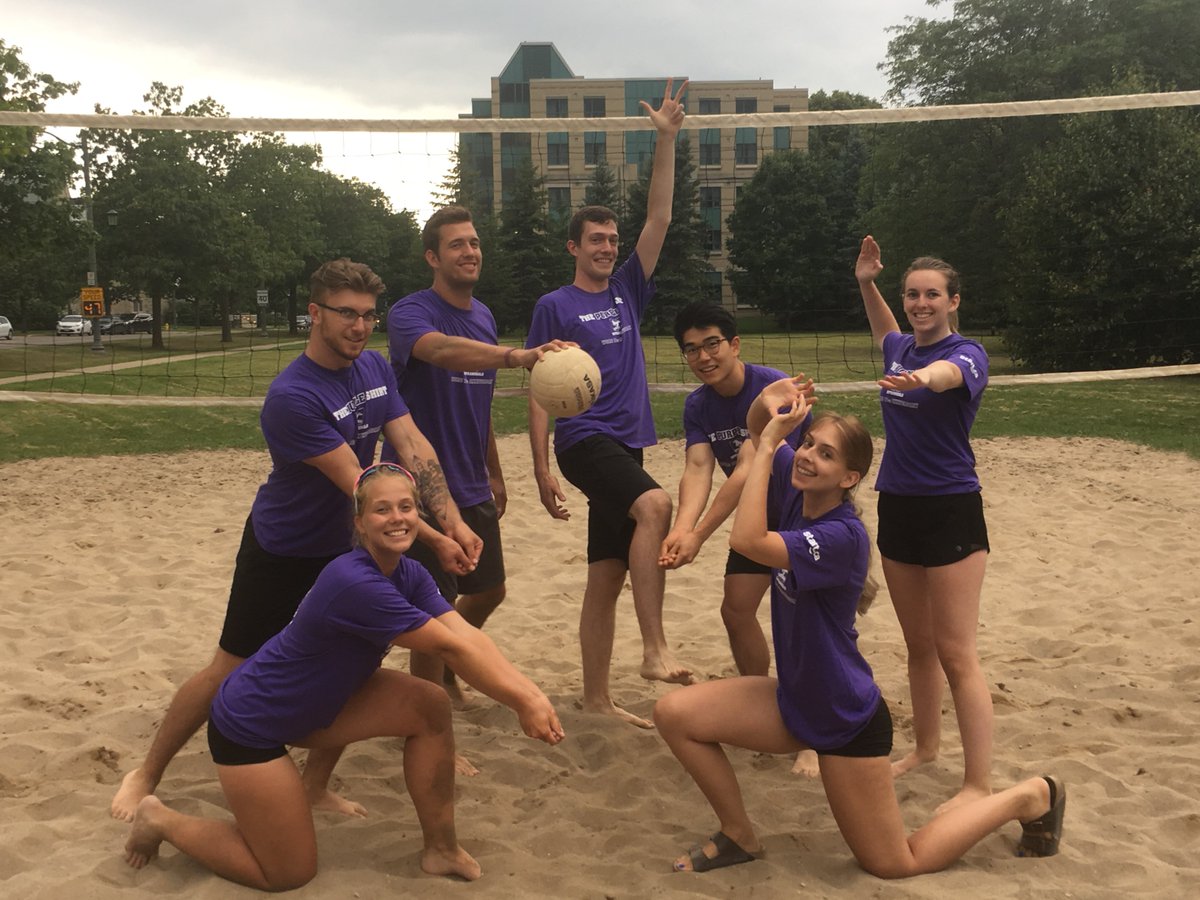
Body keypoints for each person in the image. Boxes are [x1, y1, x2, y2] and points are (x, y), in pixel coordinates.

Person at [111, 258, 482, 822]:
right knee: (228, 670)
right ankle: (148, 772)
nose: (359, 326)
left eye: (367, 316)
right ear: (315, 313)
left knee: (347, 666)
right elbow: (358, 484)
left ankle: (315, 785)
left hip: (343, 546)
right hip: (283, 547)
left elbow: (412, 445)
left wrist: (452, 520)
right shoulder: (292, 396)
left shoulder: (376, 367)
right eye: (346, 314)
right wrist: (429, 531)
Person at [654, 381, 1065, 877]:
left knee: (894, 863)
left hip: (843, 717)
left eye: (824, 455)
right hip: (793, 701)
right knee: (674, 714)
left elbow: (747, 537)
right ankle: (738, 833)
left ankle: (1029, 796)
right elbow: (759, 433)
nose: (807, 457)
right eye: (807, 444)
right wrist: (768, 407)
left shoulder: (840, 536)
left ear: (848, 478)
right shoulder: (800, 492)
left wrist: (764, 448)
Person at [123, 463, 564, 889]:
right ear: (360, 522)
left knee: (430, 704)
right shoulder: (355, 582)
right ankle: (160, 819)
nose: (397, 518)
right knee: (286, 874)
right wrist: (523, 701)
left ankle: (442, 849)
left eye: (406, 507)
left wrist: (532, 694)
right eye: (382, 509)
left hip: (321, 705)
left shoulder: (407, 572)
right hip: (250, 724)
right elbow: (450, 647)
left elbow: (465, 634)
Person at [525, 78, 693, 729]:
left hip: (627, 441)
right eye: (593, 240)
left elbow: (660, 217)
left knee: (605, 574)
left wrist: (667, 140)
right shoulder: (554, 306)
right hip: (582, 439)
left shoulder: (627, 288)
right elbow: (538, 393)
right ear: (573, 247)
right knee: (655, 503)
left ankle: (596, 697)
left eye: (609, 239)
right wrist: (541, 469)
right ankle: (653, 649)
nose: (605, 246)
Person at [384, 205, 569, 709]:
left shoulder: (484, 316)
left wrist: (495, 469)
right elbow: (441, 351)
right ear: (432, 257)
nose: (470, 252)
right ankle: (429, 711)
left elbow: (478, 400)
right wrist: (516, 356)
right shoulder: (409, 312)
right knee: (435, 608)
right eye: (457, 244)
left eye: (474, 243)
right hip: (419, 486)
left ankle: (443, 665)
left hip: (471, 481)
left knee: (488, 590)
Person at [854, 235, 993, 812]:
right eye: (913, 294)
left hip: (951, 508)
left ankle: (978, 785)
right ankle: (928, 750)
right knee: (918, 647)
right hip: (898, 504)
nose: (920, 303)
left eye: (932, 294)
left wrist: (924, 378)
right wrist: (867, 281)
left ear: (953, 300)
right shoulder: (897, 350)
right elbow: (887, 330)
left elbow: (948, 378)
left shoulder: (967, 353)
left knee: (956, 651)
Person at [657, 303, 818, 775]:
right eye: (691, 349)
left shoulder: (772, 388)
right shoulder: (697, 405)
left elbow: (749, 467)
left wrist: (700, 535)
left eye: (711, 344)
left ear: (734, 344)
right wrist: (682, 528)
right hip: (755, 522)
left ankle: (812, 734)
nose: (703, 357)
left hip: (802, 521)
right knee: (736, 609)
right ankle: (765, 708)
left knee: (804, 625)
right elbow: (698, 468)